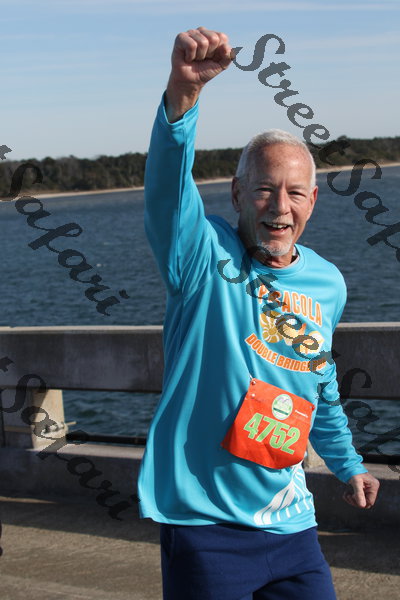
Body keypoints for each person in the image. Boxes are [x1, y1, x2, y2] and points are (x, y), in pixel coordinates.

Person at [138, 26, 380, 600]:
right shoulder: (201, 257)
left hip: (292, 523)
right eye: (265, 189)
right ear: (237, 194)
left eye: (295, 193)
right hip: (206, 524)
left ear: (312, 201)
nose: (280, 207)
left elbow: (318, 382)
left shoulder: (326, 283)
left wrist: (348, 464)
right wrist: (183, 96)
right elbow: (167, 191)